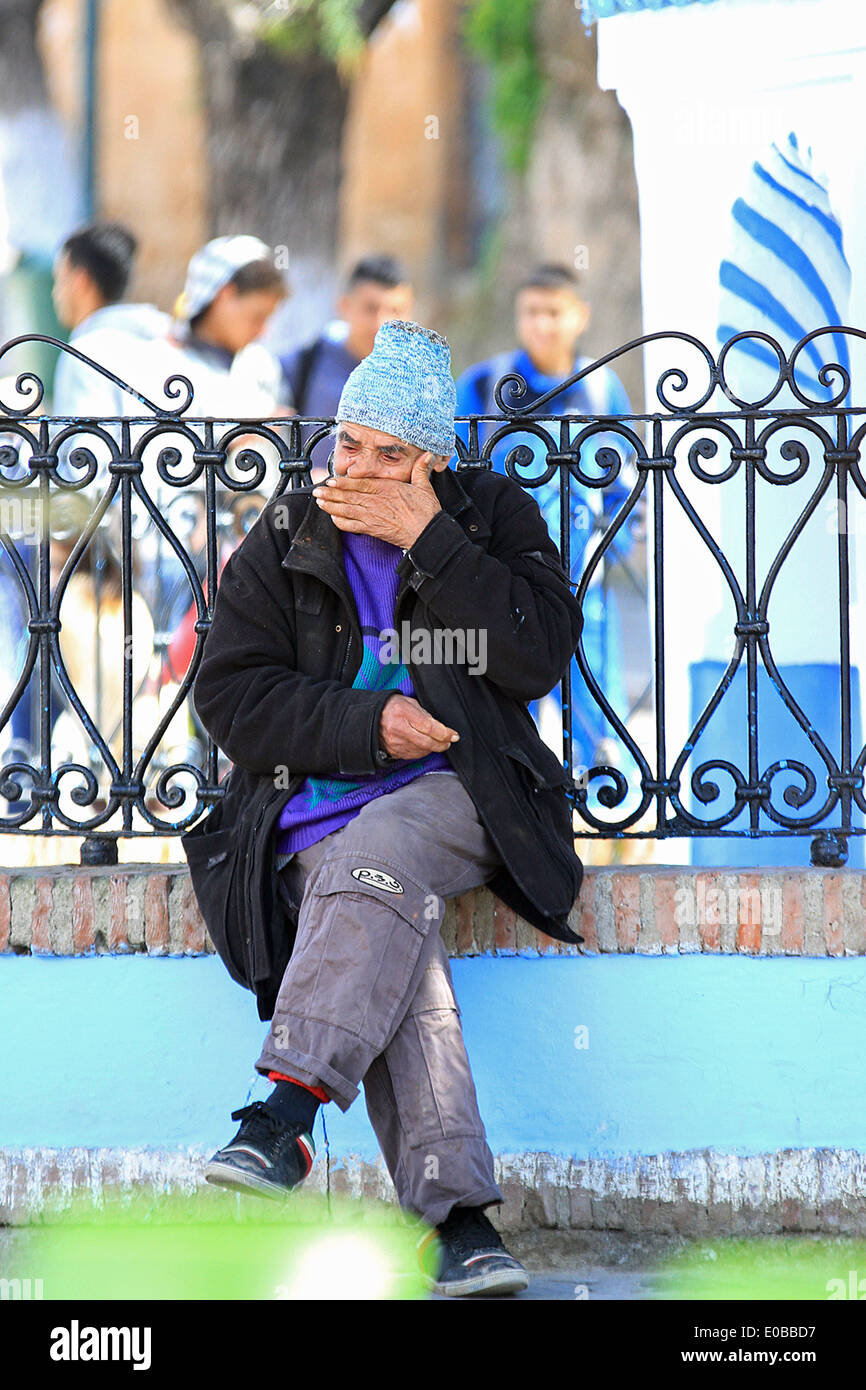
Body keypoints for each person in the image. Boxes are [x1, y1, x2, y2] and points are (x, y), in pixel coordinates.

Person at [182, 319, 585, 1298]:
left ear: (430, 463)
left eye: (385, 454)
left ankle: (283, 1108)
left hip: (460, 791)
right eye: (345, 440)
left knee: (390, 843)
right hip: (309, 818)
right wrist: (370, 724)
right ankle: (457, 1224)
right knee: (384, 907)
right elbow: (230, 695)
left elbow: (534, 656)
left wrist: (430, 542)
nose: (353, 467)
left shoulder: (487, 514)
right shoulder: (287, 533)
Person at [455, 263, 636, 779]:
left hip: (585, 577)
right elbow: (454, 469)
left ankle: (605, 807)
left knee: (593, 695)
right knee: (507, 691)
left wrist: (608, 552)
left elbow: (630, 480)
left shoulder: (602, 389)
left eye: (554, 313)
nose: (542, 325)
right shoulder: (487, 383)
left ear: (580, 315)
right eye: (532, 312)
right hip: (502, 574)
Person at [279, 254, 414, 478]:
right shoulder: (303, 364)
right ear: (344, 306)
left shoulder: (421, 380)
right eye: (371, 309)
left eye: (396, 311)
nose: (382, 324)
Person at [51, 221, 172, 426]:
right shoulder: (166, 343)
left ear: (80, 280)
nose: (55, 294)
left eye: (60, 280)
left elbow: (84, 451)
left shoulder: (84, 354)